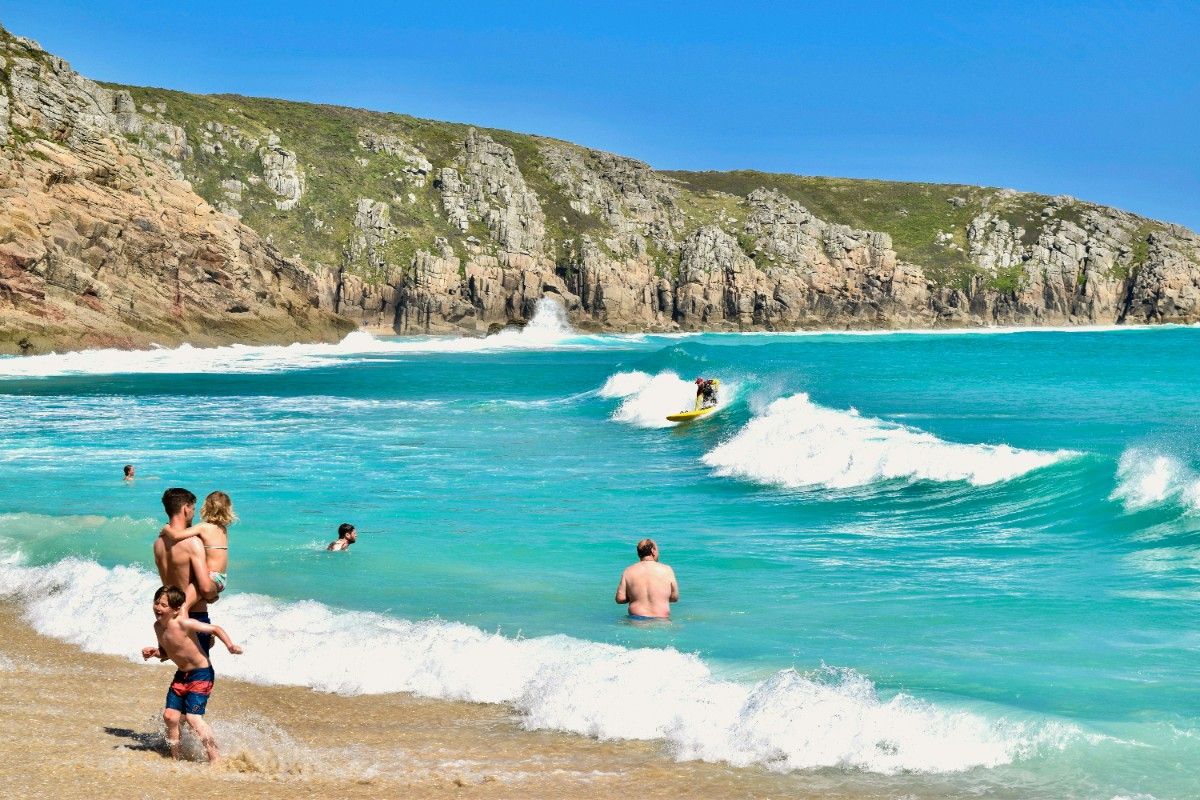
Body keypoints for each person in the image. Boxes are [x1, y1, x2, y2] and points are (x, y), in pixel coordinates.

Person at [142, 585, 242, 765]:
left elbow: (215, 629)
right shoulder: (157, 627)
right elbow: (167, 652)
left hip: (201, 674)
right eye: (156, 603)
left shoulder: (184, 623)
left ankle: (216, 759)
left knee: (193, 718)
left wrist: (230, 646)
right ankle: (175, 759)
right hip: (182, 675)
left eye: (164, 605)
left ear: (176, 609)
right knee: (170, 717)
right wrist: (155, 652)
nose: (158, 608)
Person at [153, 489, 217, 654]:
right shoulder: (193, 543)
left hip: (170, 617)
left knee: (186, 669)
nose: (193, 514)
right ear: (186, 508)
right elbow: (205, 588)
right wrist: (213, 593)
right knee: (201, 671)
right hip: (193, 616)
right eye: (193, 509)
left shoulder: (158, 543)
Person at [159, 491, 234, 596]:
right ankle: (212, 597)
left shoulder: (203, 527)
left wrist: (166, 528)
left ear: (205, 508)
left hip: (210, 577)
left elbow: (176, 536)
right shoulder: (223, 529)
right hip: (221, 579)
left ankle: (184, 610)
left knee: (185, 603)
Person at [614, 538, 679, 620]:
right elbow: (674, 597)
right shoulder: (667, 570)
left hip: (636, 619)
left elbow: (620, 599)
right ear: (653, 551)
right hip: (661, 620)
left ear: (639, 553)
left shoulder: (629, 571)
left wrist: (635, 596)